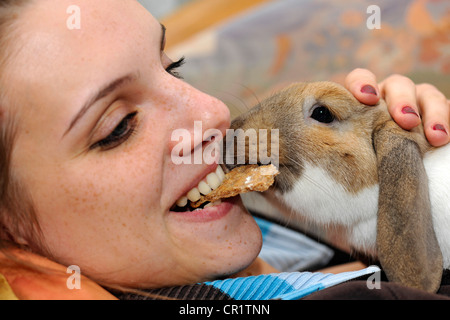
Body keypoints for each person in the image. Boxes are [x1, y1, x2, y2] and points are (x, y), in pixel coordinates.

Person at [0, 0, 448, 300]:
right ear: (11, 241)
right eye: (119, 126)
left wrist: (390, 195)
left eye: (172, 67)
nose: (214, 112)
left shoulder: (262, 222)